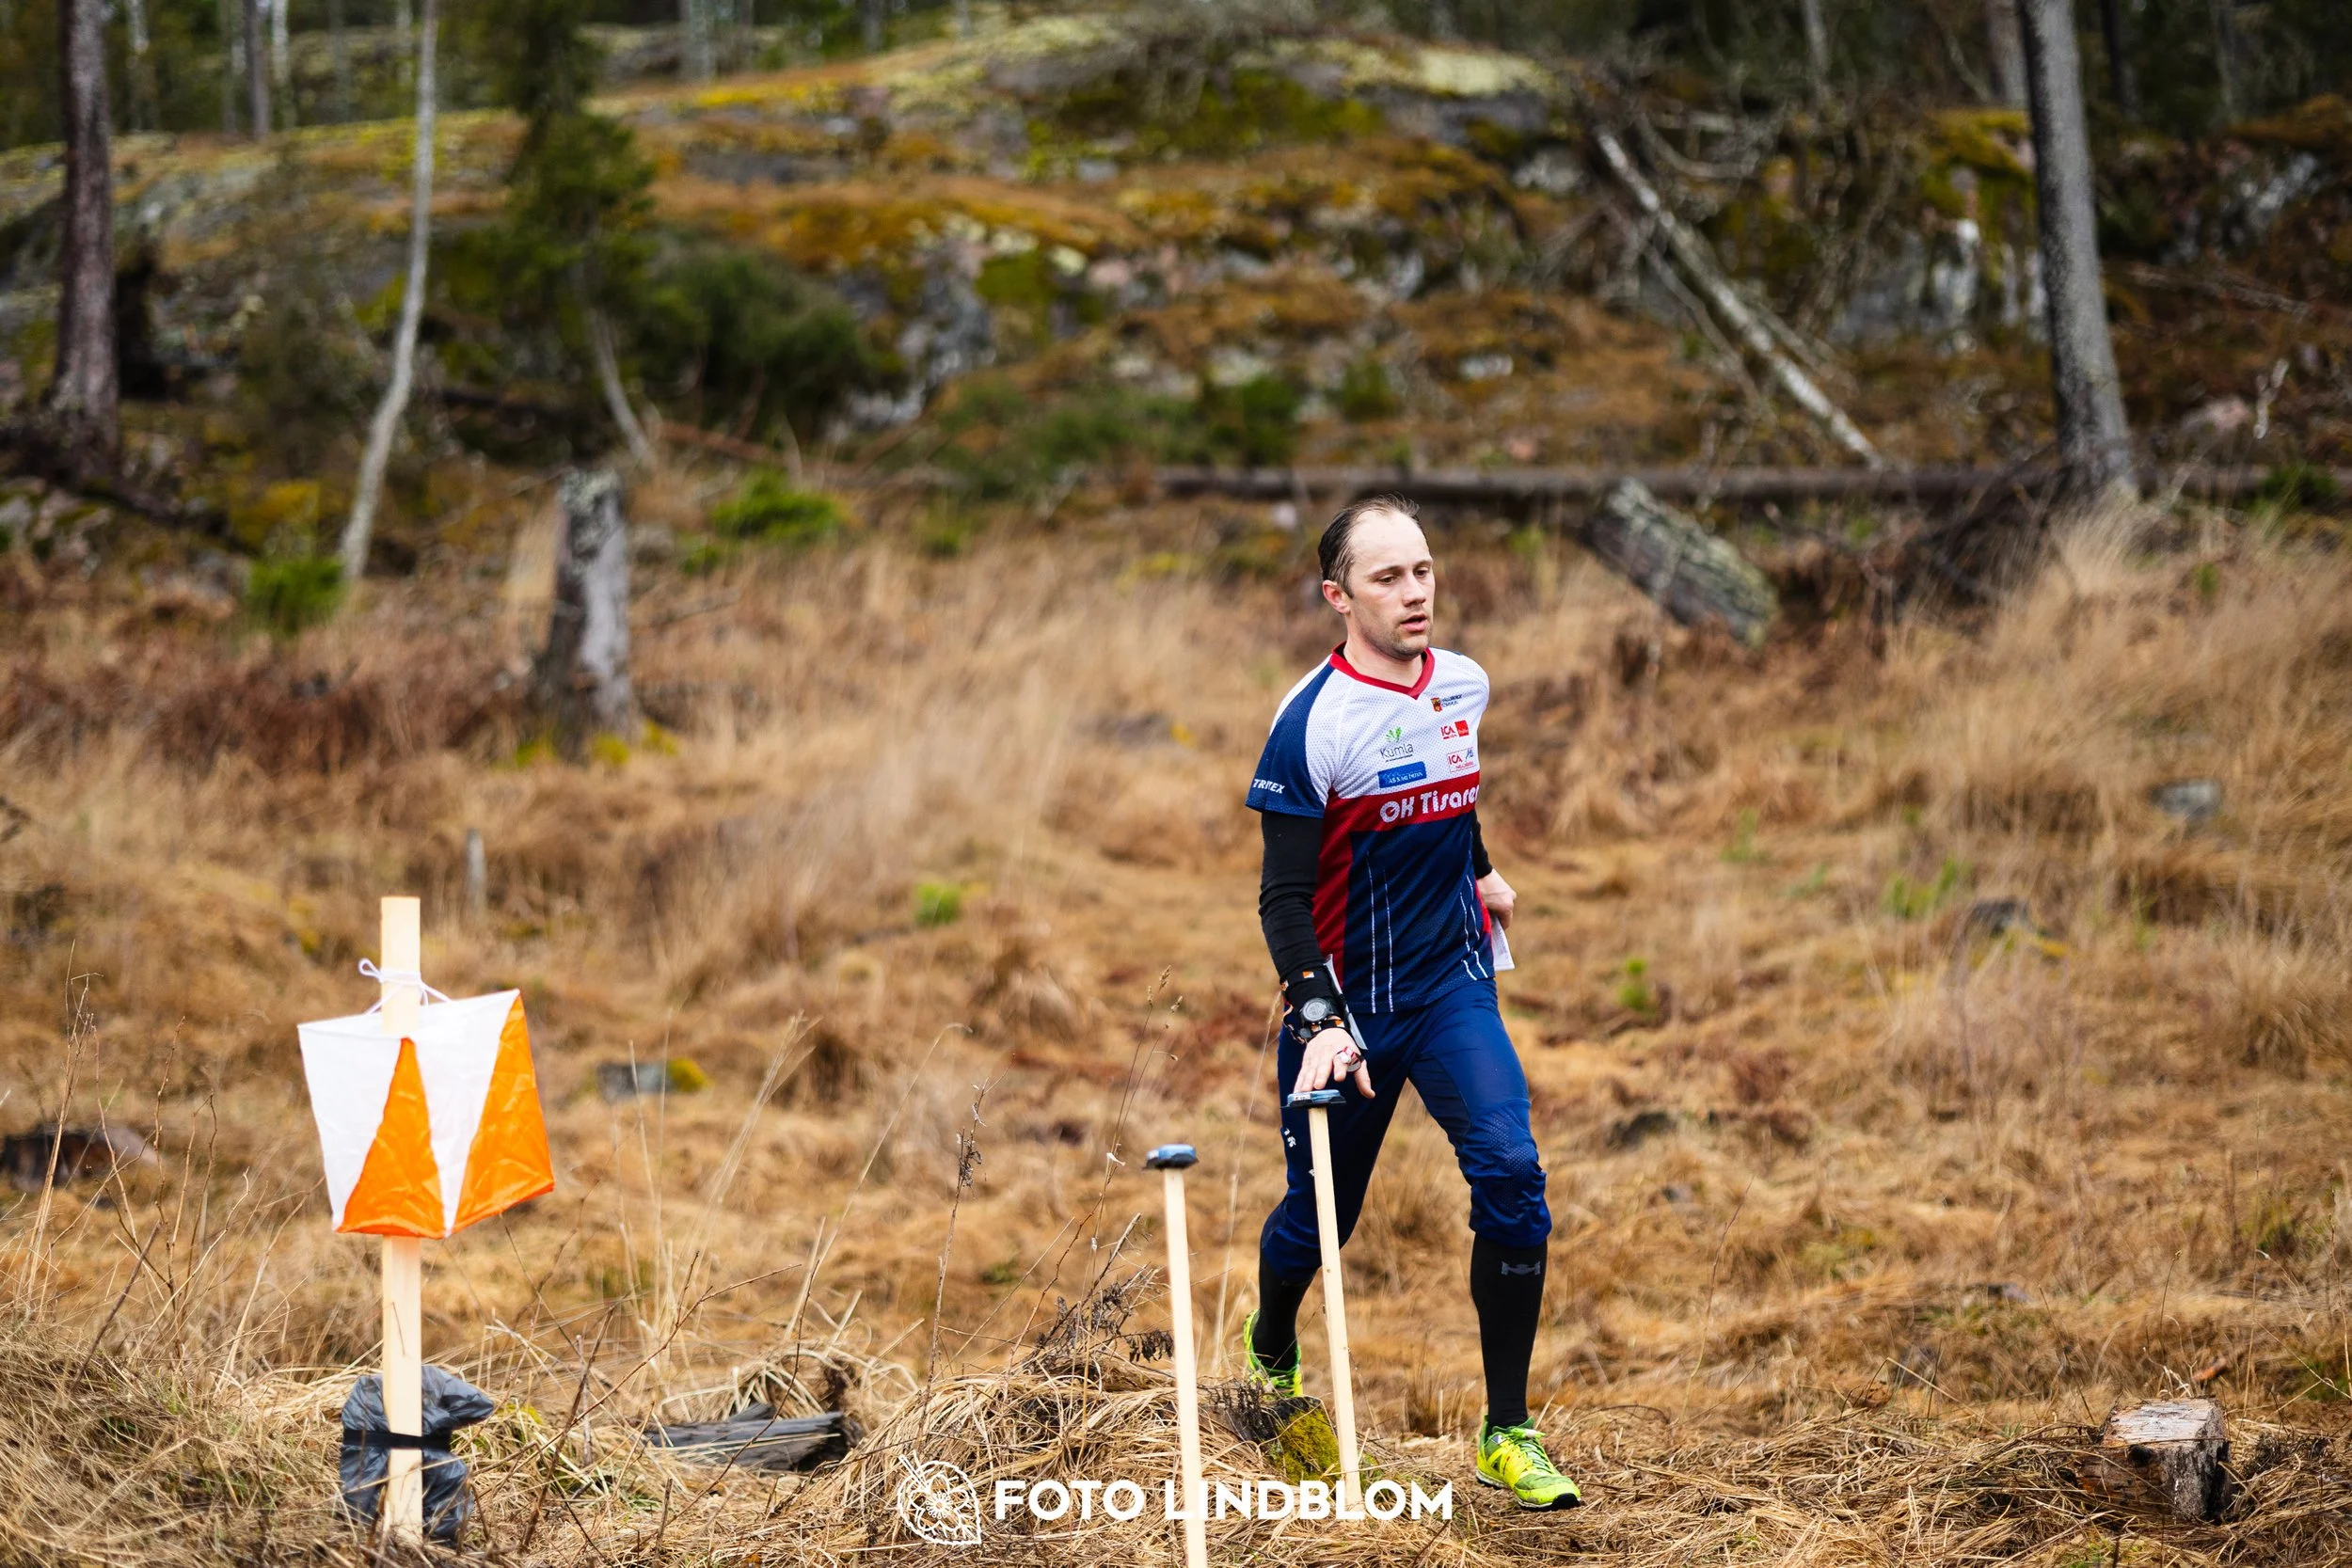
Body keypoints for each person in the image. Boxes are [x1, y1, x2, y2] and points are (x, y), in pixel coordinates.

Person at [1240, 497, 1581, 1511]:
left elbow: (1450, 794)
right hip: (1350, 1006)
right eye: (1387, 577)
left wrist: (1479, 869)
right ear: (1338, 595)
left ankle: (1506, 1429)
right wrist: (1318, 1018)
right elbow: (1283, 897)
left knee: (1514, 1180)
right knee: (1321, 1216)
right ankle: (1269, 1354)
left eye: (1423, 570)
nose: (1415, 591)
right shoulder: (1312, 720)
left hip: (1450, 986)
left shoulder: (1463, 682)